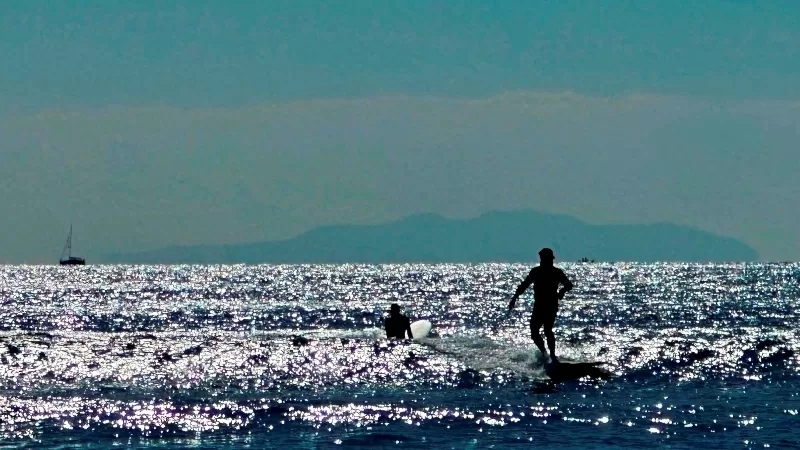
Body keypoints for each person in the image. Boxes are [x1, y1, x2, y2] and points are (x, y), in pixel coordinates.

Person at [508, 247, 573, 363]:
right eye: (544, 259)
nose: (546, 261)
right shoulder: (536, 272)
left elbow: (569, 285)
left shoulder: (557, 272)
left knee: (548, 330)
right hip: (539, 306)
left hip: (551, 305)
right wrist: (514, 298)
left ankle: (553, 356)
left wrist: (561, 292)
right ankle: (544, 353)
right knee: (534, 332)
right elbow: (524, 285)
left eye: (548, 259)